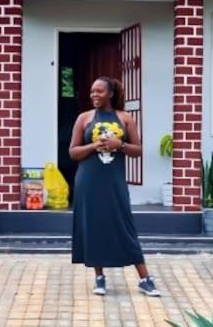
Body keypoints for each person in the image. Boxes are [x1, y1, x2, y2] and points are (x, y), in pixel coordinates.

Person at [69, 76, 160, 297]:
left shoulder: (125, 118)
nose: (94, 95)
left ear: (110, 93)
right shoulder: (84, 118)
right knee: (93, 225)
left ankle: (145, 279)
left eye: (99, 91)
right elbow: (73, 152)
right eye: (92, 91)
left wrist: (120, 144)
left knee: (124, 224)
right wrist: (93, 145)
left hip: (114, 180)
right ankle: (99, 277)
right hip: (88, 180)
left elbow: (137, 151)